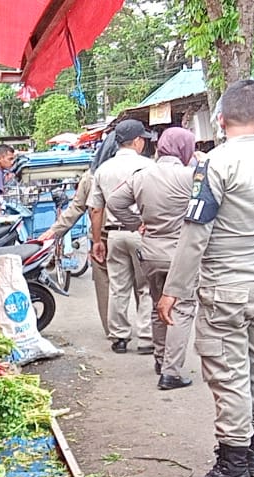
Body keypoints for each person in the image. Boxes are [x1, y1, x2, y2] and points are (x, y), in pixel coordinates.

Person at [159, 80, 254, 477]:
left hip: (227, 285)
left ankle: (232, 466)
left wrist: (175, 289)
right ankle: (253, 450)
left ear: (221, 120)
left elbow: (196, 232)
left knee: (227, 373)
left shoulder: (216, 164)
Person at [105, 126, 197, 389]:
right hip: (180, 253)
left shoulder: (142, 175)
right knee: (181, 308)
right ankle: (171, 371)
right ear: (184, 148)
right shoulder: (190, 176)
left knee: (159, 305)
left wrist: (135, 223)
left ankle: (160, 358)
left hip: (150, 252)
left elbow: (114, 202)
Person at [89, 119, 156, 355]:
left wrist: (97, 241)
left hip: (114, 235)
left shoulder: (103, 169)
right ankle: (147, 337)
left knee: (119, 286)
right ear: (137, 141)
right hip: (142, 233)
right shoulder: (149, 166)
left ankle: (119, 337)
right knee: (146, 287)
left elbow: (96, 209)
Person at [38, 138, 118, 336]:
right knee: (136, 285)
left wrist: (54, 231)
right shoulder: (138, 170)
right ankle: (145, 334)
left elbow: (77, 208)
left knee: (104, 284)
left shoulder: (90, 176)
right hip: (130, 234)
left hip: (102, 236)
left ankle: (115, 333)